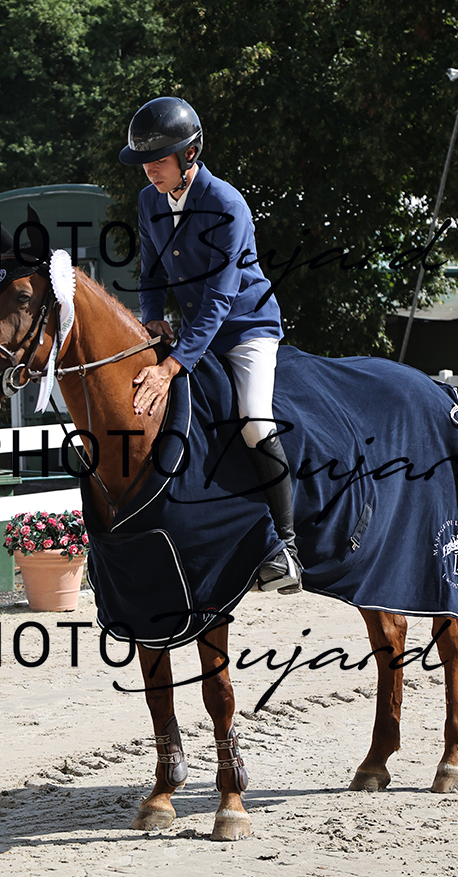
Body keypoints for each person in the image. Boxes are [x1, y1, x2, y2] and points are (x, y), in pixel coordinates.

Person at [119, 96, 302, 593]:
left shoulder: (226, 204)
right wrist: (152, 318)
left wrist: (172, 365)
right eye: (144, 162)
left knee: (253, 421)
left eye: (158, 160)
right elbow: (151, 273)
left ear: (189, 154)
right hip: (195, 330)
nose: (149, 171)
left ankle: (286, 548)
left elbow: (221, 298)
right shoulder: (150, 201)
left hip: (245, 329)